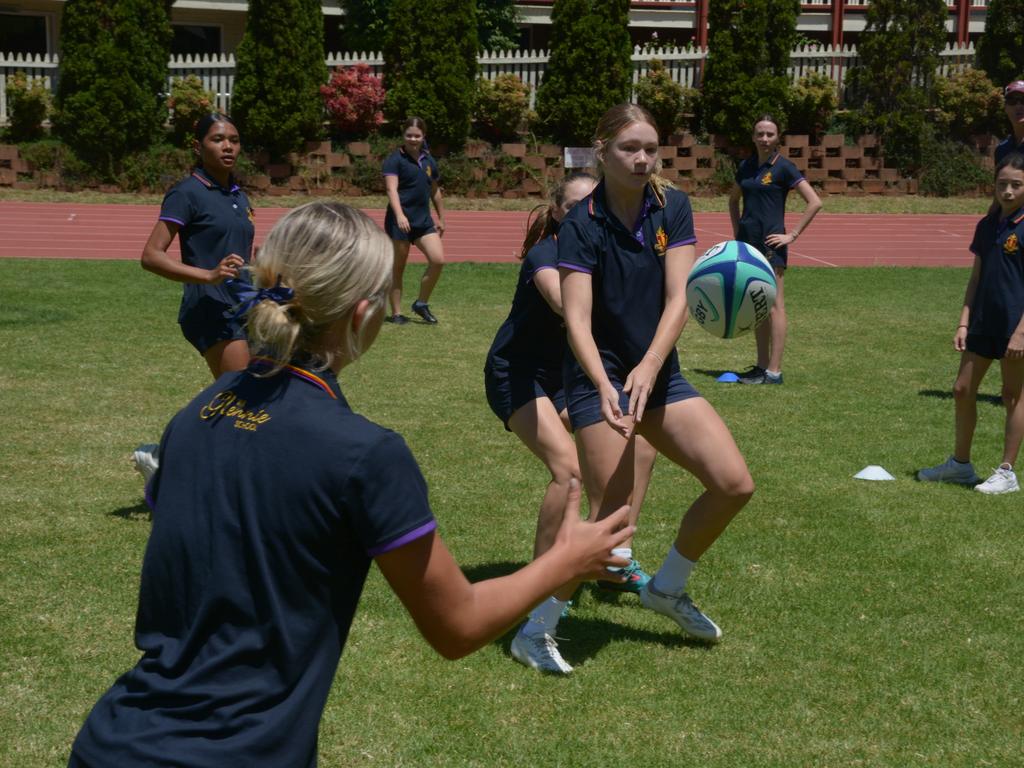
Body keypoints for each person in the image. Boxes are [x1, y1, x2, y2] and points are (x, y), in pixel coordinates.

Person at [68, 202, 634, 768]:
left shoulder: (200, 410)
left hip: (111, 741)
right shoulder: (364, 454)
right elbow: (457, 627)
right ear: (363, 313)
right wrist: (566, 559)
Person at [559, 104, 755, 649]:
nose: (643, 158)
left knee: (733, 484)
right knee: (612, 523)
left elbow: (680, 297)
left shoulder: (673, 206)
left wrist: (649, 365)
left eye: (650, 148)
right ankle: (537, 626)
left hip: (657, 376)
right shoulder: (581, 222)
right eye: (630, 148)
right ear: (602, 151)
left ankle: (666, 588)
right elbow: (575, 316)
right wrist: (602, 382)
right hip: (600, 376)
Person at [484, 172, 659, 673]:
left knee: (638, 442)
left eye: (594, 204)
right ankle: (536, 585)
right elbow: (565, 304)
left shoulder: (605, 253)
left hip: (566, 377)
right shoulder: (547, 254)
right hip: (517, 377)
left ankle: (613, 556)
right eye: (577, 205)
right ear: (559, 211)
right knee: (570, 470)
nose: (588, 212)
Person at [132, 113, 255, 482]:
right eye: (218, 139)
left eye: (233, 139)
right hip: (209, 307)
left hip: (244, 304)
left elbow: (238, 253)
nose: (228, 146)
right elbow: (151, 256)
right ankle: (166, 457)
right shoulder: (187, 192)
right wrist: (209, 275)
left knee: (245, 396)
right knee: (243, 393)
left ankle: (171, 461)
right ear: (198, 146)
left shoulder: (239, 193)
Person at [917, 153, 1024, 495]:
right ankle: (960, 465)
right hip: (982, 321)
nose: (1007, 191)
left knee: (1013, 395)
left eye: (1016, 185)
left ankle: (1007, 472)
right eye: (1001, 184)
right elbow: (976, 278)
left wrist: (1022, 331)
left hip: (1016, 325)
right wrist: (963, 321)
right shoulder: (987, 225)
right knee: (962, 389)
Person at [728, 114, 822, 385]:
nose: (765, 139)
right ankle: (760, 367)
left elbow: (814, 202)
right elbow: (733, 200)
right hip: (748, 246)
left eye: (770, 134)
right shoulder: (745, 166)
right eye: (760, 134)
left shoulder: (784, 168)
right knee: (757, 305)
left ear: (777, 137)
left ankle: (774, 371)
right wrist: (738, 233)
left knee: (774, 306)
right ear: (753, 136)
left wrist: (791, 235)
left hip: (771, 247)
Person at [382, 117, 446, 325]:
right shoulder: (395, 159)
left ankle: (421, 303)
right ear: (403, 136)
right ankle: (397, 313)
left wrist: (442, 217)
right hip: (399, 222)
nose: (413, 139)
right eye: (409, 135)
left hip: (423, 221)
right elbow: (391, 189)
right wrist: (400, 215)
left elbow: (435, 191)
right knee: (398, 268)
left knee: (438, 260)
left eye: (417, 135)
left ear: (423, 136)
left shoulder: (429, 161)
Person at [994, 79, 1024, 166]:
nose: (1018, 106)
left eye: (1023, 100)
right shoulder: (1002, 150)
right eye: (1012, 101)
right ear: (1006, 108)